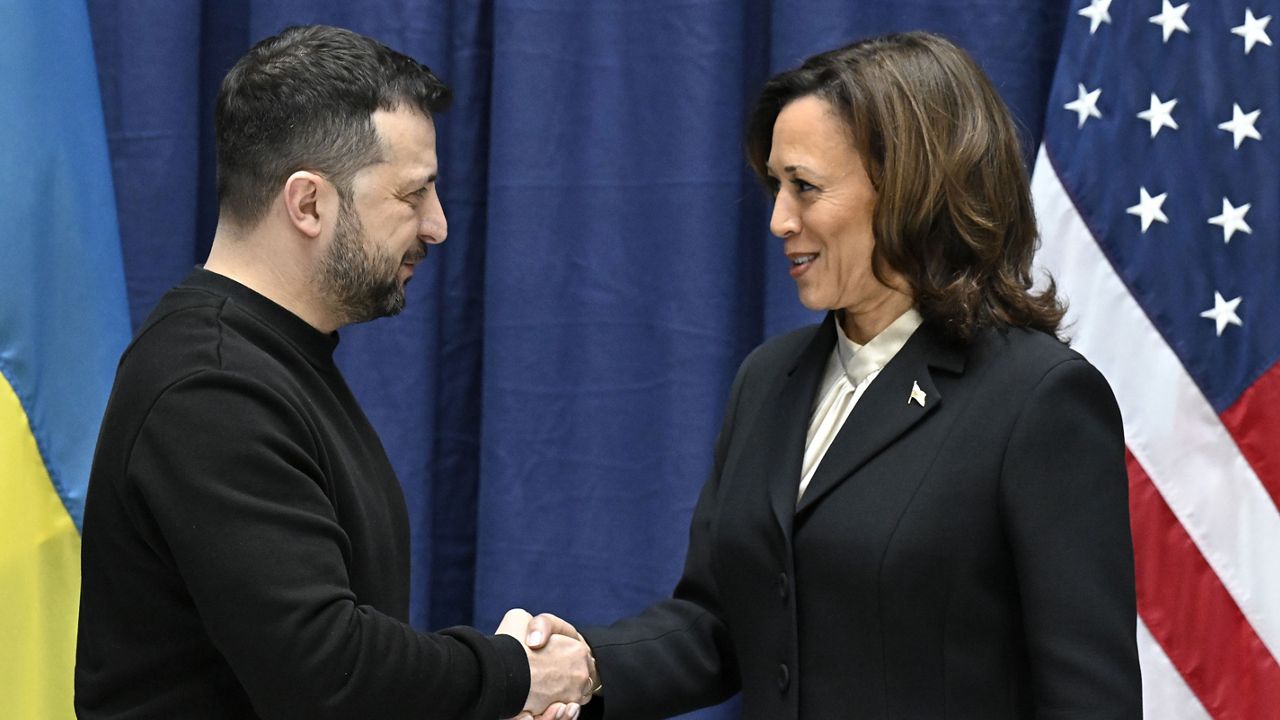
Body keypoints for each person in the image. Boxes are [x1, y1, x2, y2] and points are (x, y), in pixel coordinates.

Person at [523, 31, 1142, 719]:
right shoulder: (769, 377)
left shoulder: (1038, 398)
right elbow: (721, 625)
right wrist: (583, 668)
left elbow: (1089, 696)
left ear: (910, 187)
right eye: (776, 187)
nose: (780, 220)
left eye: (805, 188)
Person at [75, 25, 593, 720]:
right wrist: (510, 673)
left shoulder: (272, 362)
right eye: (413, 196)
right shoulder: (211, 386)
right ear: (309, 203)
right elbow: (327, 674)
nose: (437, 226)